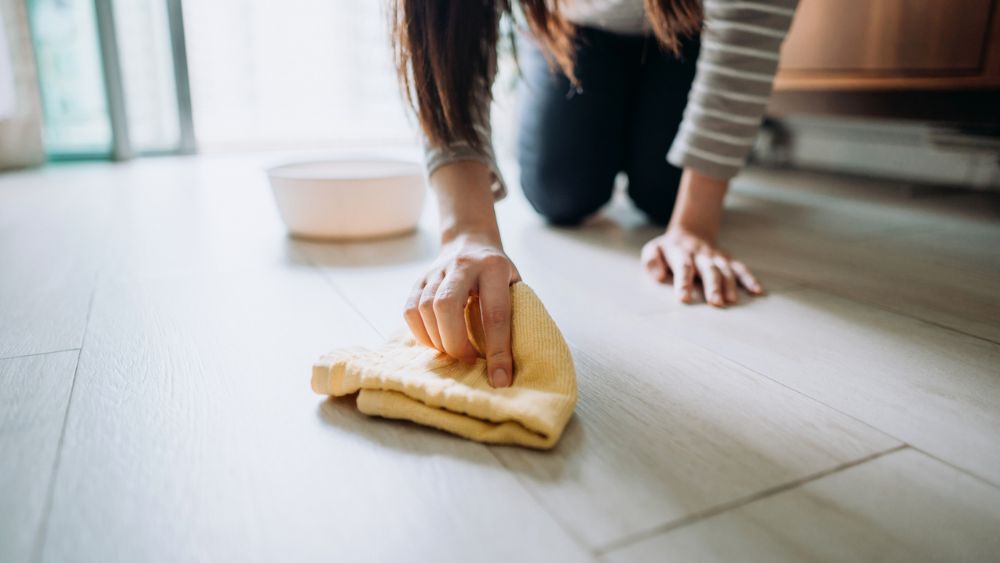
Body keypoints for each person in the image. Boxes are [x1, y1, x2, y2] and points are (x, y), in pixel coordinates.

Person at [391, 0, 799, 387]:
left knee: (664, 195)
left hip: (689, 25)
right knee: (560, 193)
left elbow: (751, 18)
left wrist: (694, 224)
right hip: (573, 25)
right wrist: (466, 229)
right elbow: (444, 28)